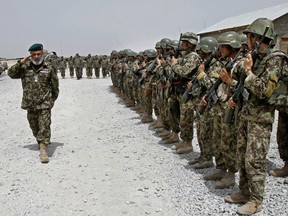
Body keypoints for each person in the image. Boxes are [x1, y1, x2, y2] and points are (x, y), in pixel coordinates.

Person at [224, 18, 287, 215]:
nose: (248, 41)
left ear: (259, 38)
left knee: (255, 160)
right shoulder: (255, 56)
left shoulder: (275, 59)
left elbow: (265, 91)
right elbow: (236, 74)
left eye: (250, 36)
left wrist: (250, 72)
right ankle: (244, 192)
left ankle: (256, 200)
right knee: (242, 155)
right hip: (246, 114)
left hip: (261, 119)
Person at [8, 43, 59, 163]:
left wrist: (52, 100)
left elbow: (55, 85)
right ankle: (40, 140)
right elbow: (11, 74)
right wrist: (20, 62)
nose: (36, 56)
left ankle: (43, 149)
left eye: (38, 54)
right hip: (30, 103)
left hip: (44, 103)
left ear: (42, 54)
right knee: (34, 126)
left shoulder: (49, 67)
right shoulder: (25, 67)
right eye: (34, 54)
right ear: (30, 55)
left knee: (44, 126)